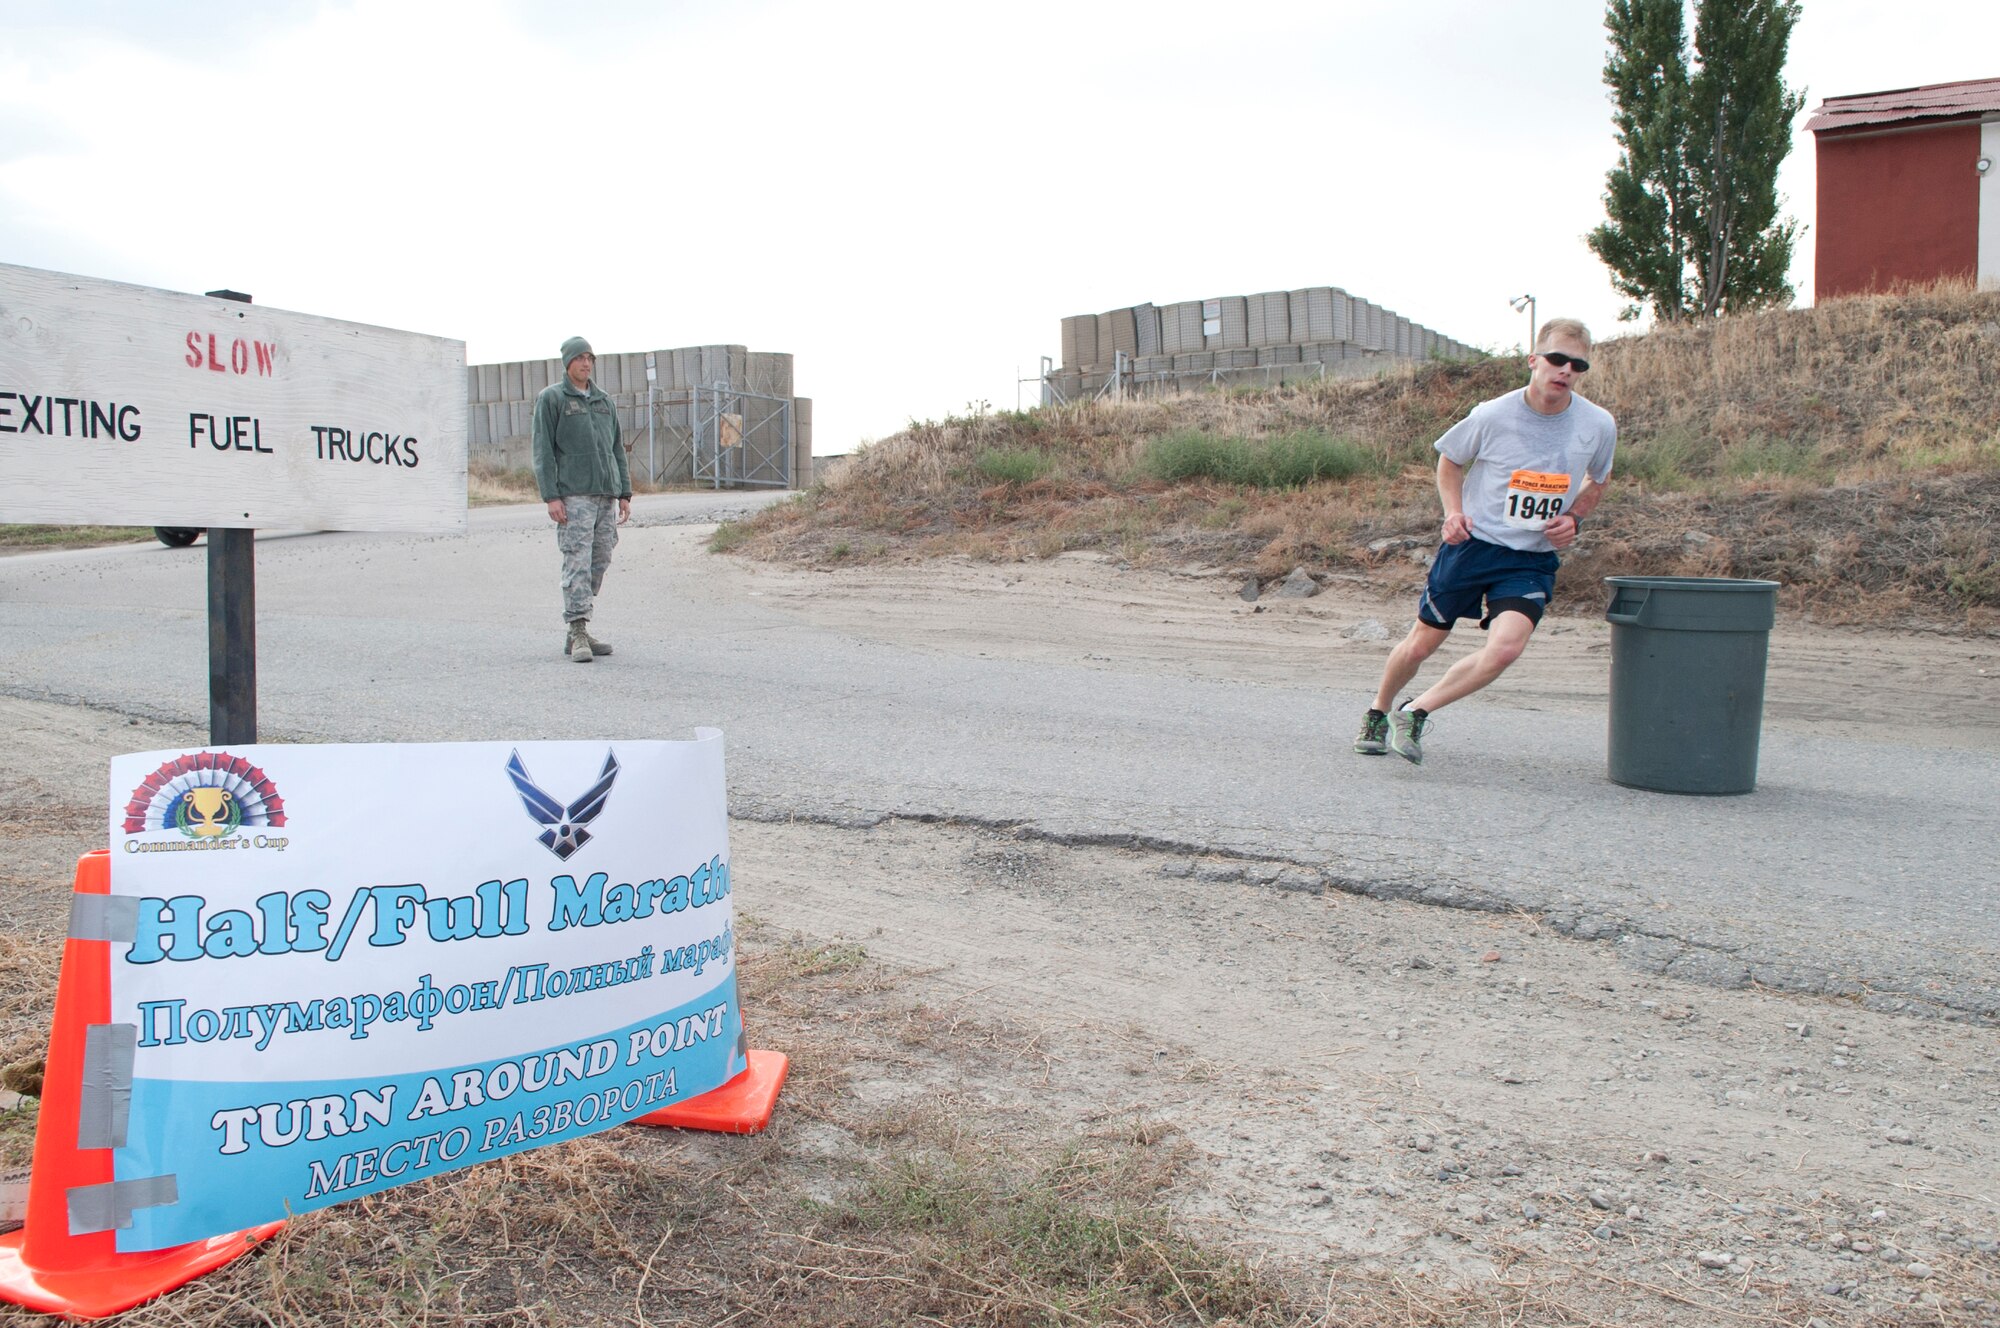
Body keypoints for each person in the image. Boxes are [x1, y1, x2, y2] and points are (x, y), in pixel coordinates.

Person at [1355, 318, 1616, 764]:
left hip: (1530, 558)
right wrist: (1453, 514)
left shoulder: (1597, 424)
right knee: (1421, 643)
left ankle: (1415, 712)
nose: (1566, 370)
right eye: (1557, 359)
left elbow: (1599, 480)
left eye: (1578, 365)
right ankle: (1379, 710)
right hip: (1474, 546)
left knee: (1506, 649)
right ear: (1534, 361)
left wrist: (1574, 517)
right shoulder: (1493, 414)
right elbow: (1450, 461)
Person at [533, 336, 631, 663]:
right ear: (567, 363)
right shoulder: (552, 399)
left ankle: (581, 623)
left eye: (589, 358)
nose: (586, 363)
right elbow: (543, 452)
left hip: (605, 494)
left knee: (600, 558)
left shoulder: (604, 401)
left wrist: (624, 493)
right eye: (579, 358)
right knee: (576, 558)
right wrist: (551, 496)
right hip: (573, 495)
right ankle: (577, 630)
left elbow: (617, 448)